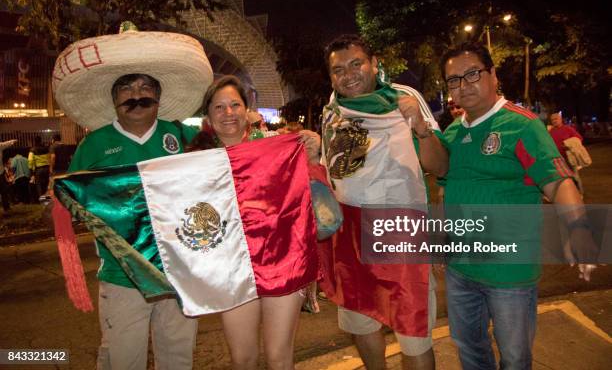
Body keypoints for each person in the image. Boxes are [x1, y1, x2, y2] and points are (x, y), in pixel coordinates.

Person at [53, 23, 213, 370]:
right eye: (126, 88)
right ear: (114, 100)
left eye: (144, 88)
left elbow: (237, 156)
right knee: (122, 360)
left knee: (178, 359)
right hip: (121, 277)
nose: (135, 95)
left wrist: (300, 146)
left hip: (180, 275)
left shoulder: (185, 136)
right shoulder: (93, 146)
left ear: (158, 96)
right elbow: (73, 205)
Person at [439, 42, 596, 370]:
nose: (463, 85)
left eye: (472, 74)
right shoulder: (453, 132)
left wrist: (579, 229)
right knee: (469, 349)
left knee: (514, 357)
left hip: (508, 272)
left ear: (493, 74)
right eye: (453, 80)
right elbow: (448, 191)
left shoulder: (521, 125)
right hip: (461, 270)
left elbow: (558, 181)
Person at [318, 34, 448, 370]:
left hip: (399, 230)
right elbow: (331, 173)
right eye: (338, 69)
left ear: (374, 64)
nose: (348, 74)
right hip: (348, 236)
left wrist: (420, 127)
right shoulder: (331, 111)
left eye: (356, 63)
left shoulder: (403, 98)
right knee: (360, 322)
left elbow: (440, 166)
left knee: (413, 327)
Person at [187, 75, 320, 370]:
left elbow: (306, 185)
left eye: (235, 104)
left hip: (282, 260)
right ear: (208, 115)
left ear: (247, 110)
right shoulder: (195, 160)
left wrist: (311, 150)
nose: (228, 113)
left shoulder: (274, 145)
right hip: (232, 268)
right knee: (243, 359)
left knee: (279, 357)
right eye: (219, 107)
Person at [28, 136, 50, 201]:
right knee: (45, 184)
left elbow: (30, 160)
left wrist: (31, 171)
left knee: (39, 185)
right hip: (46, 168)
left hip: (39, 169)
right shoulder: (46, 149)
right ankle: (46, 199)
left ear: (34, 141)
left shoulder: (32, 150)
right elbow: (49, 158)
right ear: (41, 140)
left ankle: (42, 200)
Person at [0, 139, 17, 213]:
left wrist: (12, 141)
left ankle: (6, 207)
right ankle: (6, 207)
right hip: (0, 172)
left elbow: (5, 144)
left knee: (4, 190)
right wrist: (12, 141)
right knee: (3, 190)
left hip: (0, 172)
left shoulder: (0, 146)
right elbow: (5, 144)